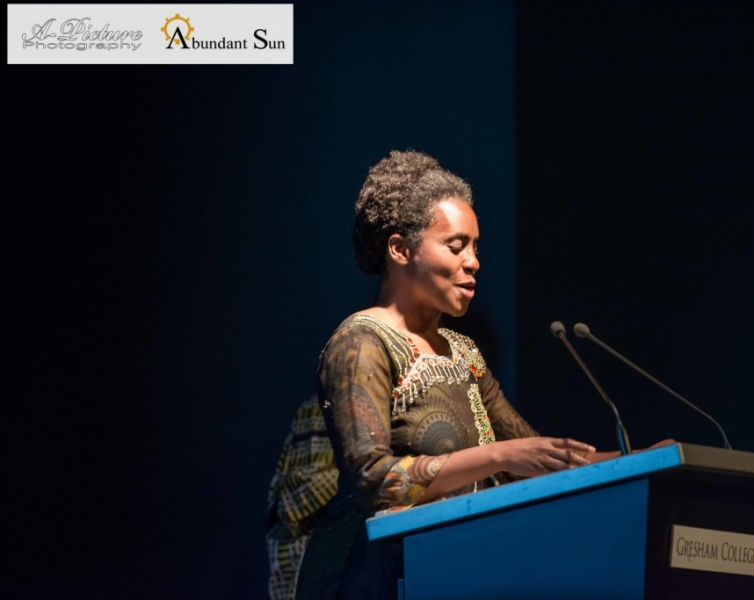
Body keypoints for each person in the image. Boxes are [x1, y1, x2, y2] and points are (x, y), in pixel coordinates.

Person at [267, 150, 665, 600]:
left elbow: (536, 458)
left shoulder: (463, 352)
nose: (473, 261)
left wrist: (643, 460)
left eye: (476, 248)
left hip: (447, 568)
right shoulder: (361, 343)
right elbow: (375, 481)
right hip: (370, 579)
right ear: (399, 249)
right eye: (456, 247)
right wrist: (498, 456)